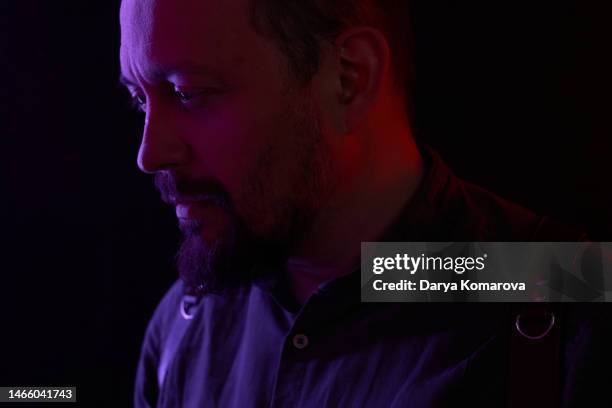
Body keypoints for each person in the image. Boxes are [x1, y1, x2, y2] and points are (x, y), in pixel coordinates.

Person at [119, 0, 611, 406]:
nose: (149, 153)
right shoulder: (184, 325)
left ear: (348, 79)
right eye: (140, 99)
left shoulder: (572, 305)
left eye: (188, 93)